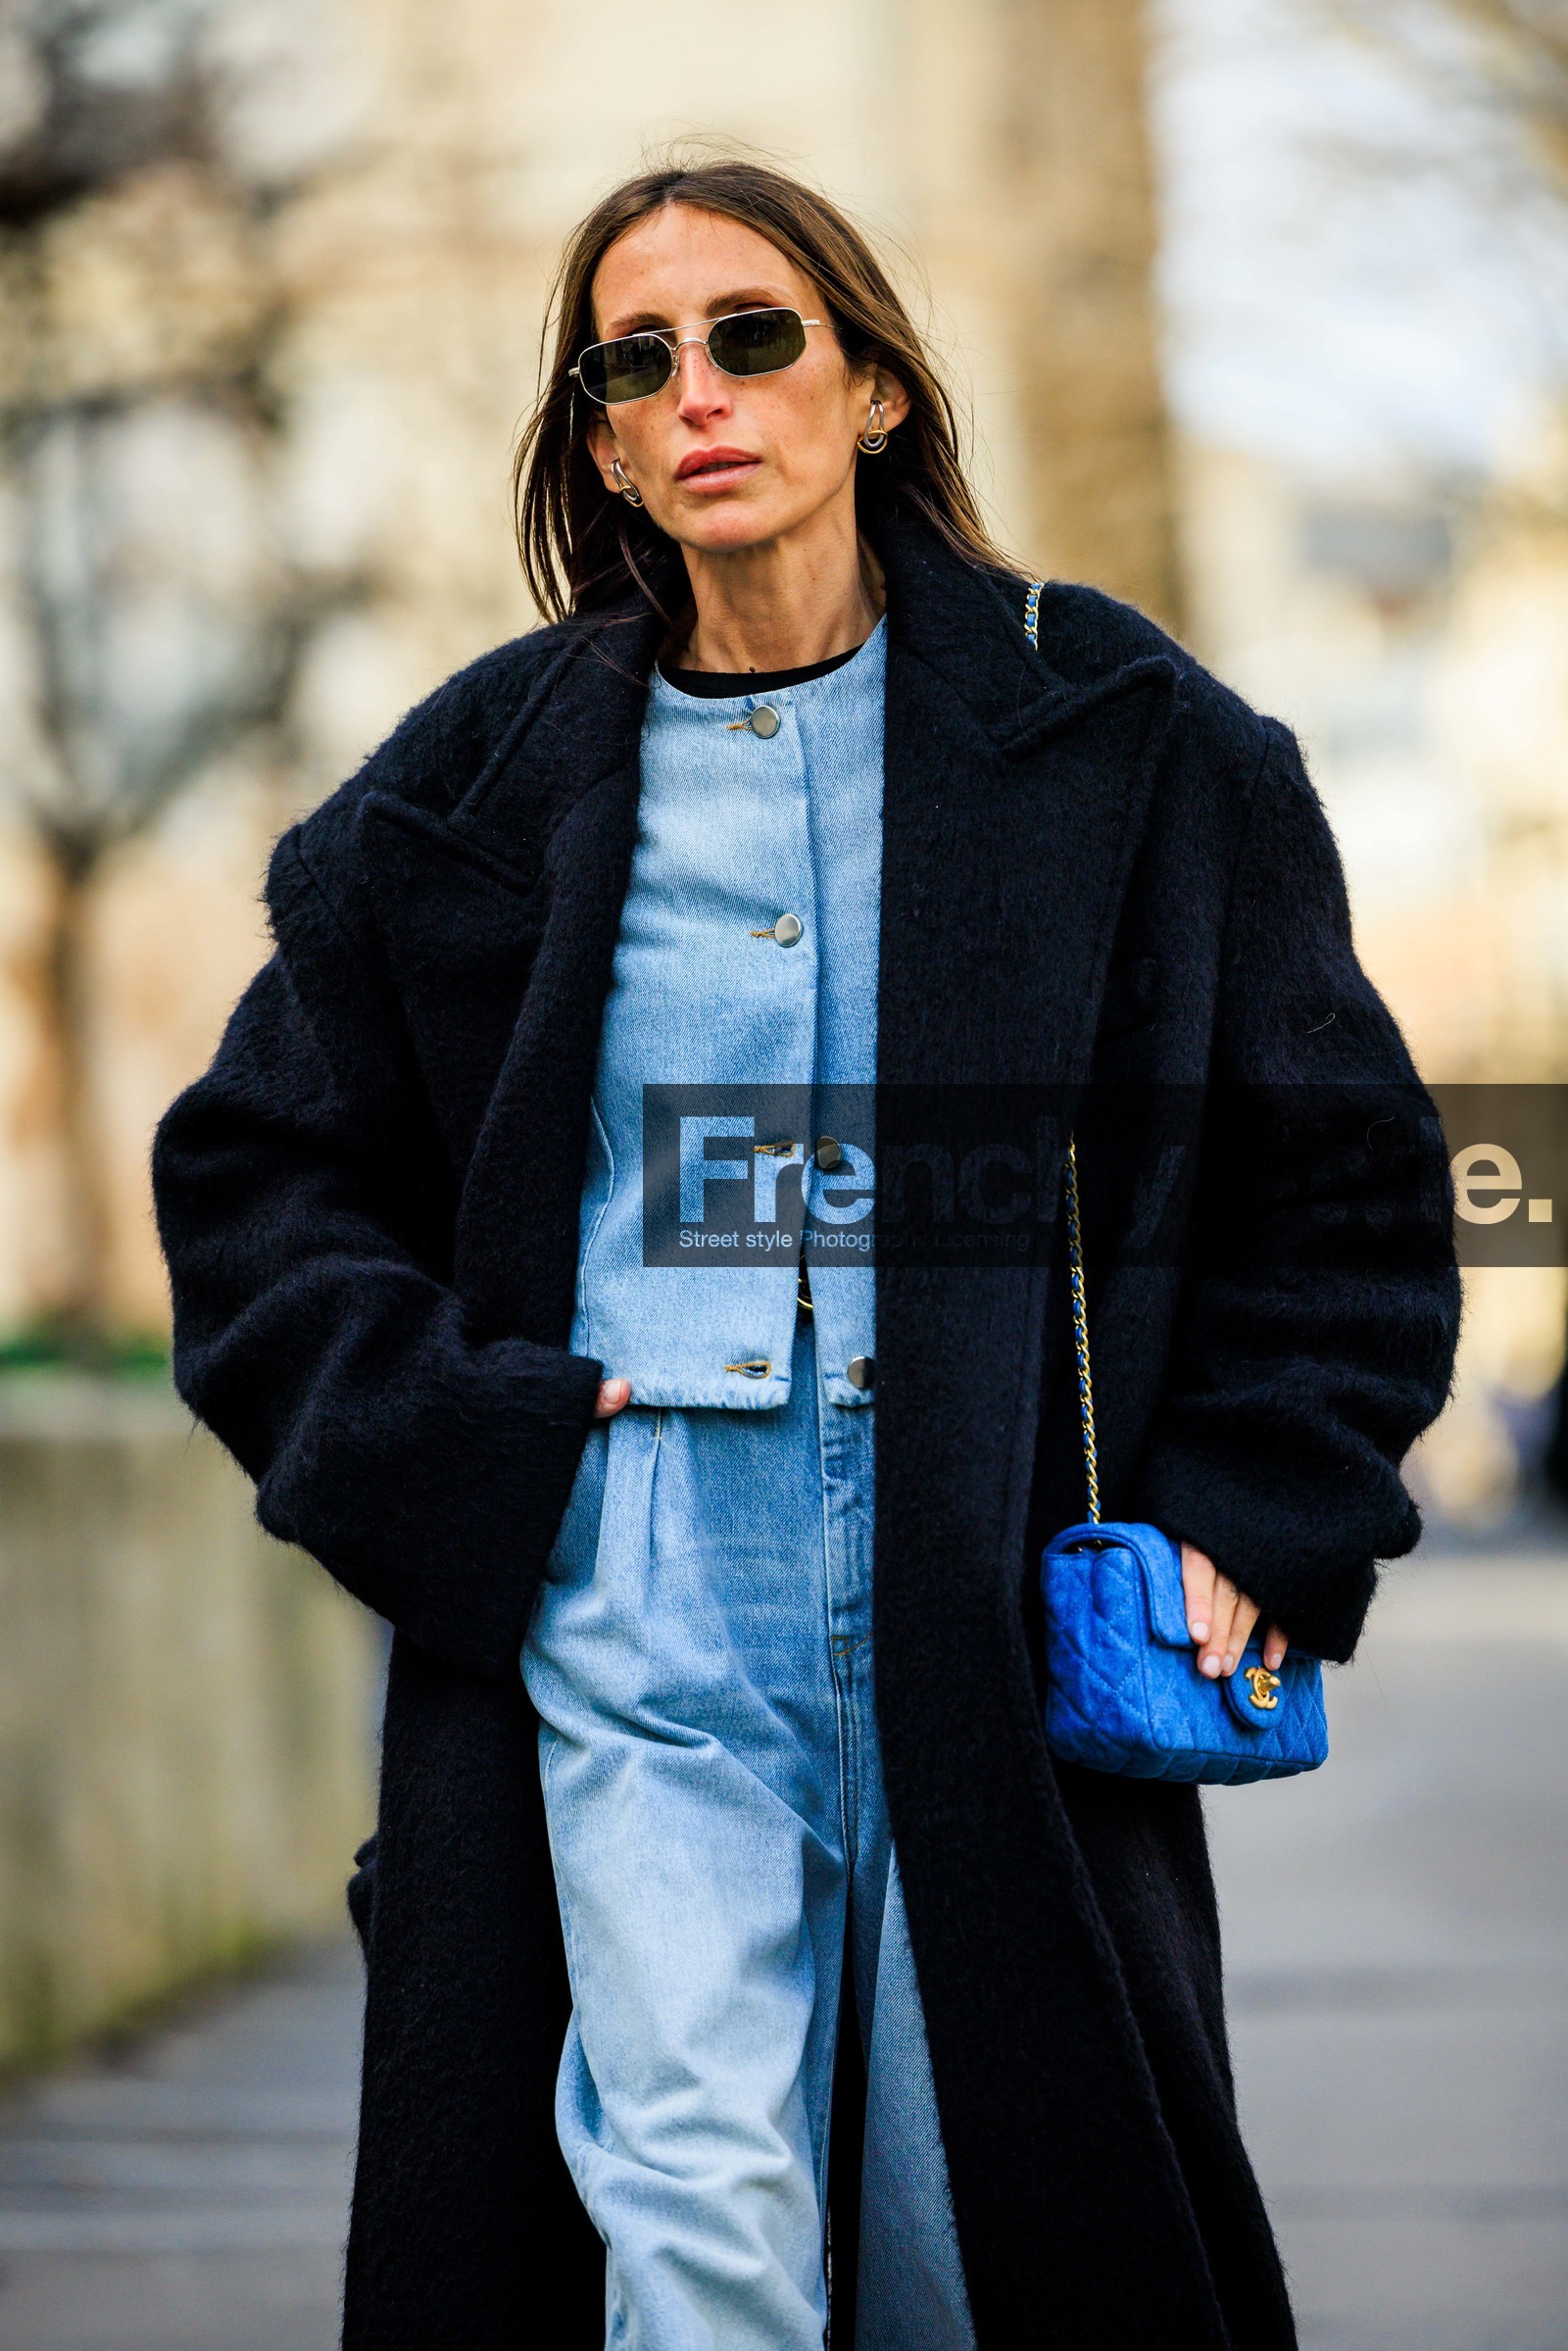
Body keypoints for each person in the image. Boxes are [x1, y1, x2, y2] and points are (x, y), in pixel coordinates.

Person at [152, 158, 1459, 2351]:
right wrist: (471, 1453)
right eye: (632, 363)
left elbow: (1337, 1171)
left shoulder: (1118, 733)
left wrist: (1257, 1494)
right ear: (598, 438)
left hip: (992, 1569)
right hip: (627, 1564)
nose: (699, 393)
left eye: (754, 334)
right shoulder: (469, 783)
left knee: (984, 2235)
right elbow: (255, 1177)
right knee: (698, 2217)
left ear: (865, 386)